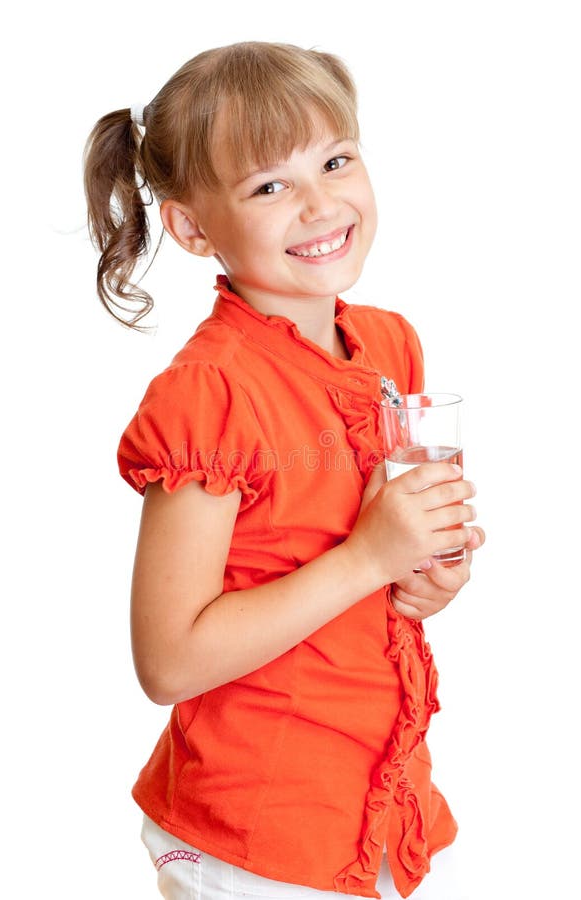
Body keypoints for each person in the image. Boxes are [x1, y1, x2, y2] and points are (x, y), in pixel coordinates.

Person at [84, 41, 484, 900]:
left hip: (370, 797)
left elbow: (383, 556)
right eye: (270, 186)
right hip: (256, 829)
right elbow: (169, 660)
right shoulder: (211, 395)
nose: (319, 203)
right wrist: (370, 559)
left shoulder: (388, 346)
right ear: (194, 227)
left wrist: (427, 570)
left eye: (336, 161)